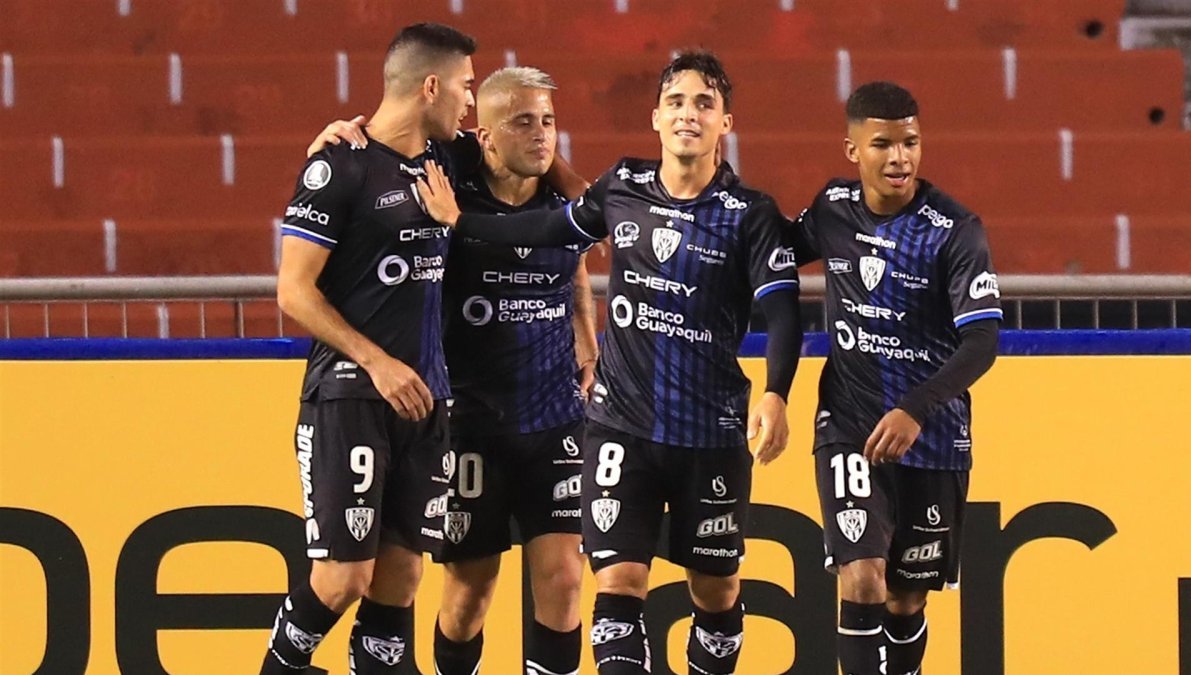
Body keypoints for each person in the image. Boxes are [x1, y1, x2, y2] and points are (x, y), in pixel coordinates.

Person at [417, 50, 803, 675]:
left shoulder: (751, 214)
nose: (688, 114)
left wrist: (776, 392)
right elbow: (550, 229)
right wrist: (459, 220)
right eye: (676, 102)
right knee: (610, 584)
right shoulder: (622, 188)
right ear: (655, 117)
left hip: (710, 432)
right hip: (618, 428)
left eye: (704, 103)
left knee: (717, 592)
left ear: (725, 122)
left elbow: (785, 314)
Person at [308, 67, 596, 674]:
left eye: (548, 122)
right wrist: (342, 139)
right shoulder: (448, 184)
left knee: (566, 578)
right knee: (469, 592)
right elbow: (392, 140)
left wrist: (586, 333)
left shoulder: (564, 200)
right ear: (485, 136)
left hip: (554, 415)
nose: (542, 136)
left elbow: (575, 264)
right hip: (468, 418)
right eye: (524, 122)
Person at [262, 22, 477, 674]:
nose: (470, 103)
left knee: (402, 576)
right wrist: (376, 360)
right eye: (465, 88)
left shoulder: (450, 160)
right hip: (351, 394)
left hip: (426, 399)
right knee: (343, 576)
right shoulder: (340, 165)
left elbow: (534, 158)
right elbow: (293, 292)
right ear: (431, 86)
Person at [791, 81, 1002, 675]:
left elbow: (982, 340)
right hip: (850, 425)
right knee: (862, 577)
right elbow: (775, 249)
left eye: (910, 142)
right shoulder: (832, 209)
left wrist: (916, 407)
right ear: (853, 149)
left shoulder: (955, 231)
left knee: (905, 598)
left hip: (932, 435)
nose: (899, 158)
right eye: (882, 143)